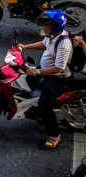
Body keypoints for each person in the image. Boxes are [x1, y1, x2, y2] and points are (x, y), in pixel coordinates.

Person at [18, 10, 72, 148]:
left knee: (44, 104)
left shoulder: (64, 44)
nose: (43, 26)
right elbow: (44, 44)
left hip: (58, 79)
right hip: (46, 73)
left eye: (46, 24)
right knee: (30, 79)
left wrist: (37, 70)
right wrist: (26, 47)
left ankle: (54, 135)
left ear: (55, 26)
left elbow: (59, 68)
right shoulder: (52, 36)